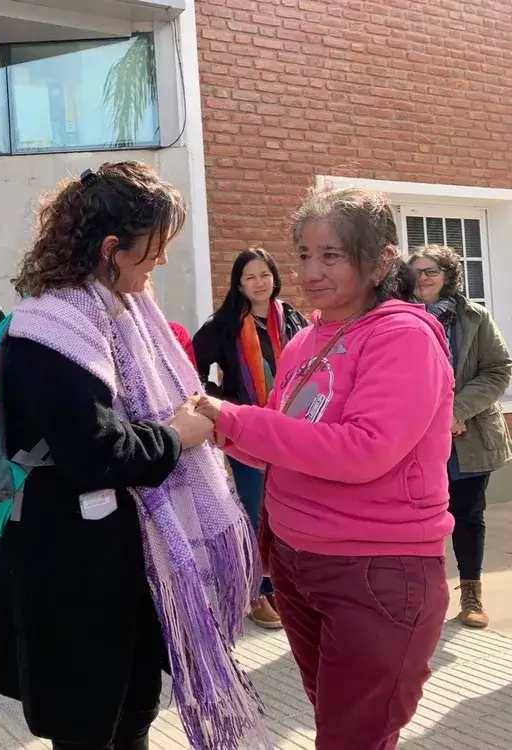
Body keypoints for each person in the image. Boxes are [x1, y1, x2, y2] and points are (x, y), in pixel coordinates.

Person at [0, 162, 268, 750]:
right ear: (111, 249)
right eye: (154, 248)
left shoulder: (118, 312)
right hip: (72, 562)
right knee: (87, 720)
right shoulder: (52, 327)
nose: (161, 262)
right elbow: (95, 451)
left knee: (134, 705)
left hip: (124, 551)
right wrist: (180, 435)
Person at [192, 187, 454, 750]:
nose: (310, 271)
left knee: (352, 738)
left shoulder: (403, 336)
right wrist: (218, 431)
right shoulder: (308, 337)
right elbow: (286, 445)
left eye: (331, 255)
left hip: (375, 570)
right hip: (296, 561)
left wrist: (235, 420)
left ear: (382, 259)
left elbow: (365, 449)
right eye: (304, 254)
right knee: (336, 725)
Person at [192, 247, 308, 629]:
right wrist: (220, 403)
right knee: (254, 509)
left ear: (274, 277)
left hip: (290, 431)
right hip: (247, 431)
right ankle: (255, 591)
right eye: (250, 277)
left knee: (288, 509)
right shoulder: (223, 324)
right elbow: (190, 366)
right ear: (239, 285)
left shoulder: (291, 317)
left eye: (264, 275)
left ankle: (284, 587)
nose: (259, 283)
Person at [410, 244, 512, 628]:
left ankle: (470, 592)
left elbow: (498, 369)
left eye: (431, 270)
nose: (423, 277)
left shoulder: (474, 317)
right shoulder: (397, 317)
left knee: (468, 515)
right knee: (418, 518)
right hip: (415, 437)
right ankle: (424, 594)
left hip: (466, 436)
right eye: (416, 271)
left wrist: (454, 412)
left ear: (449, 274)